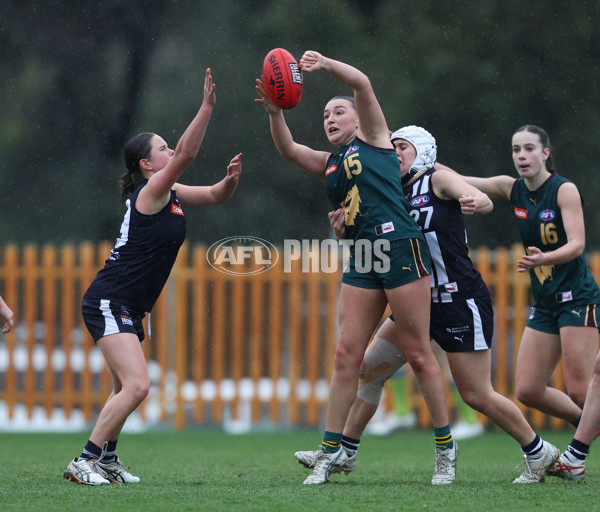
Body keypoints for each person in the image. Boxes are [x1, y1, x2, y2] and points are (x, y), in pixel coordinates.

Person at [295, 125, 560, 484]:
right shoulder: (388, 189)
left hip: (457, 299)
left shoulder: (436, 177)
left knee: (475, 393)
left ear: (421, 151)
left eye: (402, 147)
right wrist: (345, 232)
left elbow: (480, 198)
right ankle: (345, 450)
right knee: (367, 373)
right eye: (392, 148)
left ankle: (537, 450)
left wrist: (476, 202)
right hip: (415, 303)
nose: (396, 153)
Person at [256, 53, 454, 486]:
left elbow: (362, 83)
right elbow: (288, 149)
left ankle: (444, 451)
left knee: (419, 355)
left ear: (358, 119)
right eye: (325, 113)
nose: (330, 117)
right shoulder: (330, 162)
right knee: (347, 355)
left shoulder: (378, 139)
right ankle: (330, 452)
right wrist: (275, 113)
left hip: (400, 247)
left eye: (338, 111)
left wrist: (324, 64)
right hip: (364, 256)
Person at [63, 68, 242, 486]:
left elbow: (216, 194)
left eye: (168, 147)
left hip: (127, 304)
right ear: (147, 164)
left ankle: (107, 459)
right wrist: (206, 108)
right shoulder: (150, 192)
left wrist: (230, 181)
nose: (170, 151)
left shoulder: (171, 195)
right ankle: (84, 460)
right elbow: (186, 156)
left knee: (124, 389)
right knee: (138, 386)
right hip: (109, 300)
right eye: (163, 148)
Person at [459, 125, 600, 431]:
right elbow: (463, 181)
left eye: (529, 148)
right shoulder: (513, 188)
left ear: (546, 153)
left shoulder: (564, 189)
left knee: (579, 390)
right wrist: (417, 159)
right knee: (527, 390)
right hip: (546, 302)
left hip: (577, 298)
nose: (521, 155)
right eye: (516, 150)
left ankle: (587, 429)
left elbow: (577, 244)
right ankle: (589, 424)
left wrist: (543, 259)